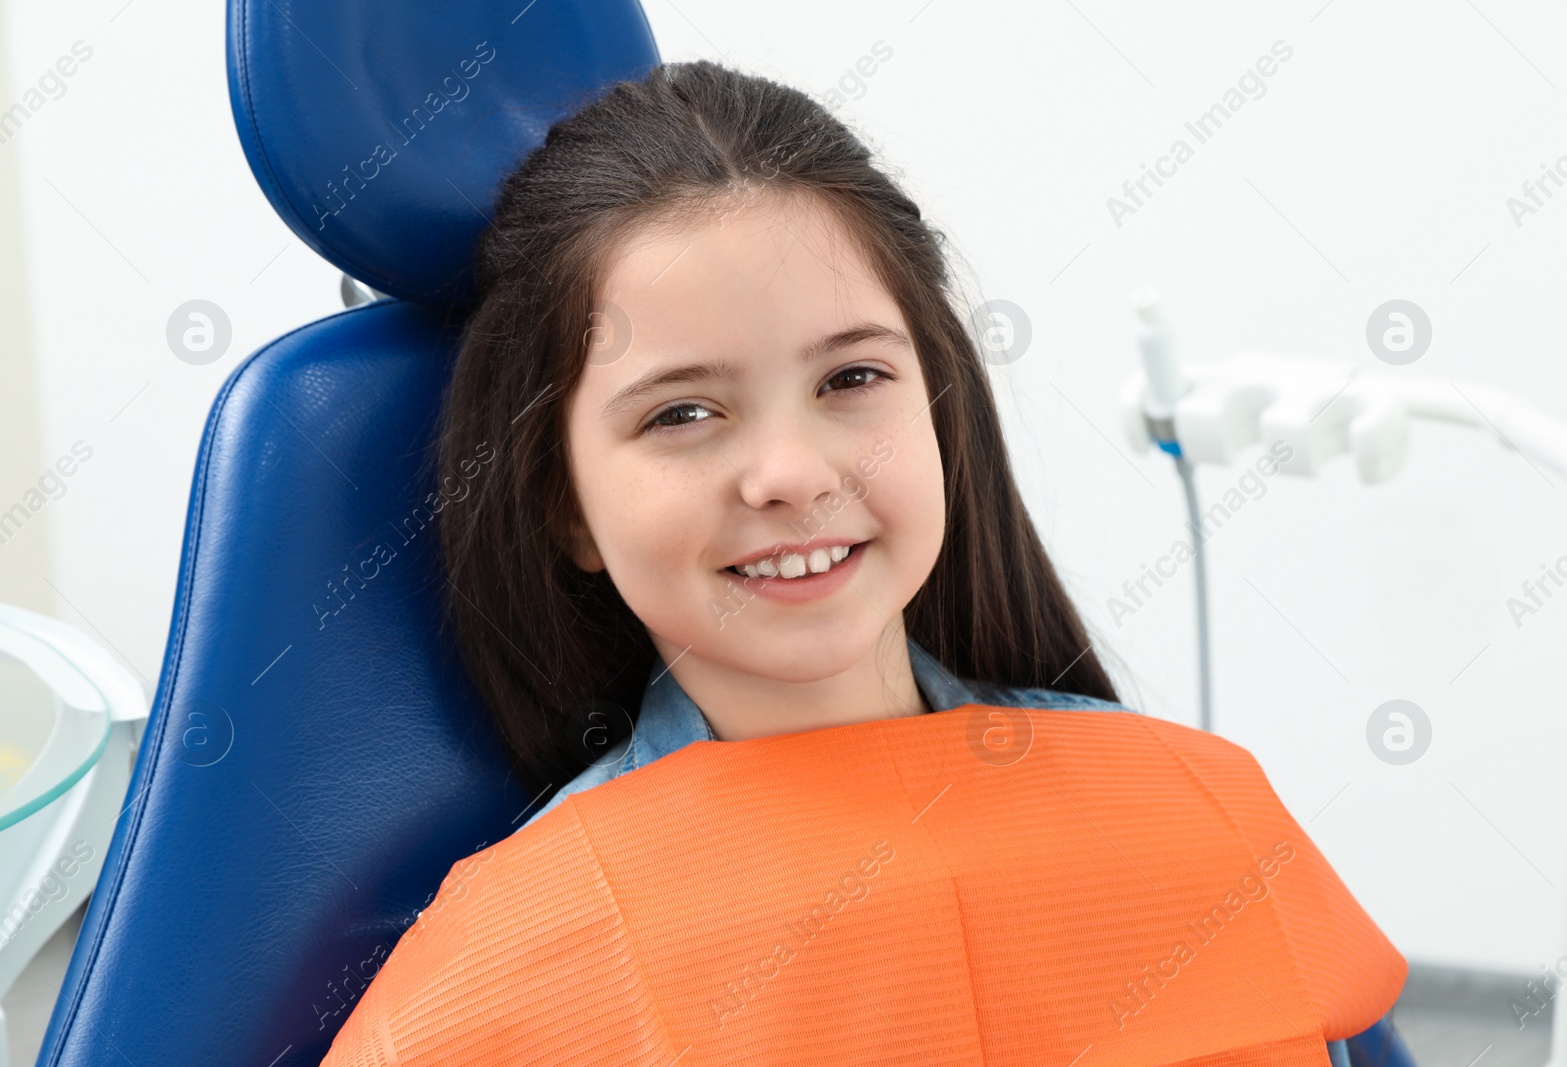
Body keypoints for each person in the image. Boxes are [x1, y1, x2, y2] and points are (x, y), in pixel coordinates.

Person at [323, 59, 1413, 1066]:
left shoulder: (1198, 814)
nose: (790, 474)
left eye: (850, 380)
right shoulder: (521, 954)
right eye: (683, 412)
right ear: (563, 505)